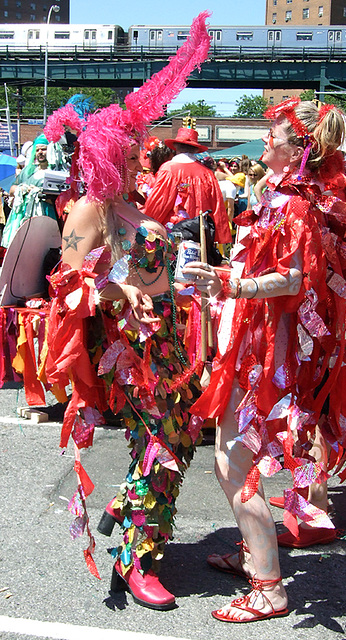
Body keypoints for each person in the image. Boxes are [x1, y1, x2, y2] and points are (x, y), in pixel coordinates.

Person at [183, 98, 346, 622]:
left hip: (267, 351)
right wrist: (227, 284)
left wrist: (234, 282)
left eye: (271, 135)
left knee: (234, 462)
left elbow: (296, 280)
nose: (263, 141)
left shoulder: (297, 204)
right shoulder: (274, 195)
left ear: (298, 147)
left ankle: (270, 587)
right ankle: (255, 553)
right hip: (251, 342)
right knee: (227, 454)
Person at [43, 11, 211, 611]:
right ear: (111, 148)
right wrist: (121, 293)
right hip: (127, 350)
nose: (146, 150)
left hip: (167, 338)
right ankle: (135, 558)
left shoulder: (133, 203)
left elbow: (151, 269)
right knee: (162, 442)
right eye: (135, 144)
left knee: (183, 436)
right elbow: (65, 285)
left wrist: (189, 286)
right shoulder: (89, 209)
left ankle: (125, 507)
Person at [144, 127, 231, 244]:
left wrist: (147, 225)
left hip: (174, 233)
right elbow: (217, 207)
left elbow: (158, 204)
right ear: (196, 150)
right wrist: (219, 236)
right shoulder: (207, 173)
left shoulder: (169, 169)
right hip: (200, 234)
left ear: (176, 147)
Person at [1, 133, 65, 248]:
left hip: (46, 216)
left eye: (44, 149)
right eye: (37, 149)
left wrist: (42, 193)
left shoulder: (58, 173)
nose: (40, 152)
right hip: (24, 216)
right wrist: (22, 189)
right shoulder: (28, 171)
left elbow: (62, 199)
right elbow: (12, 189)